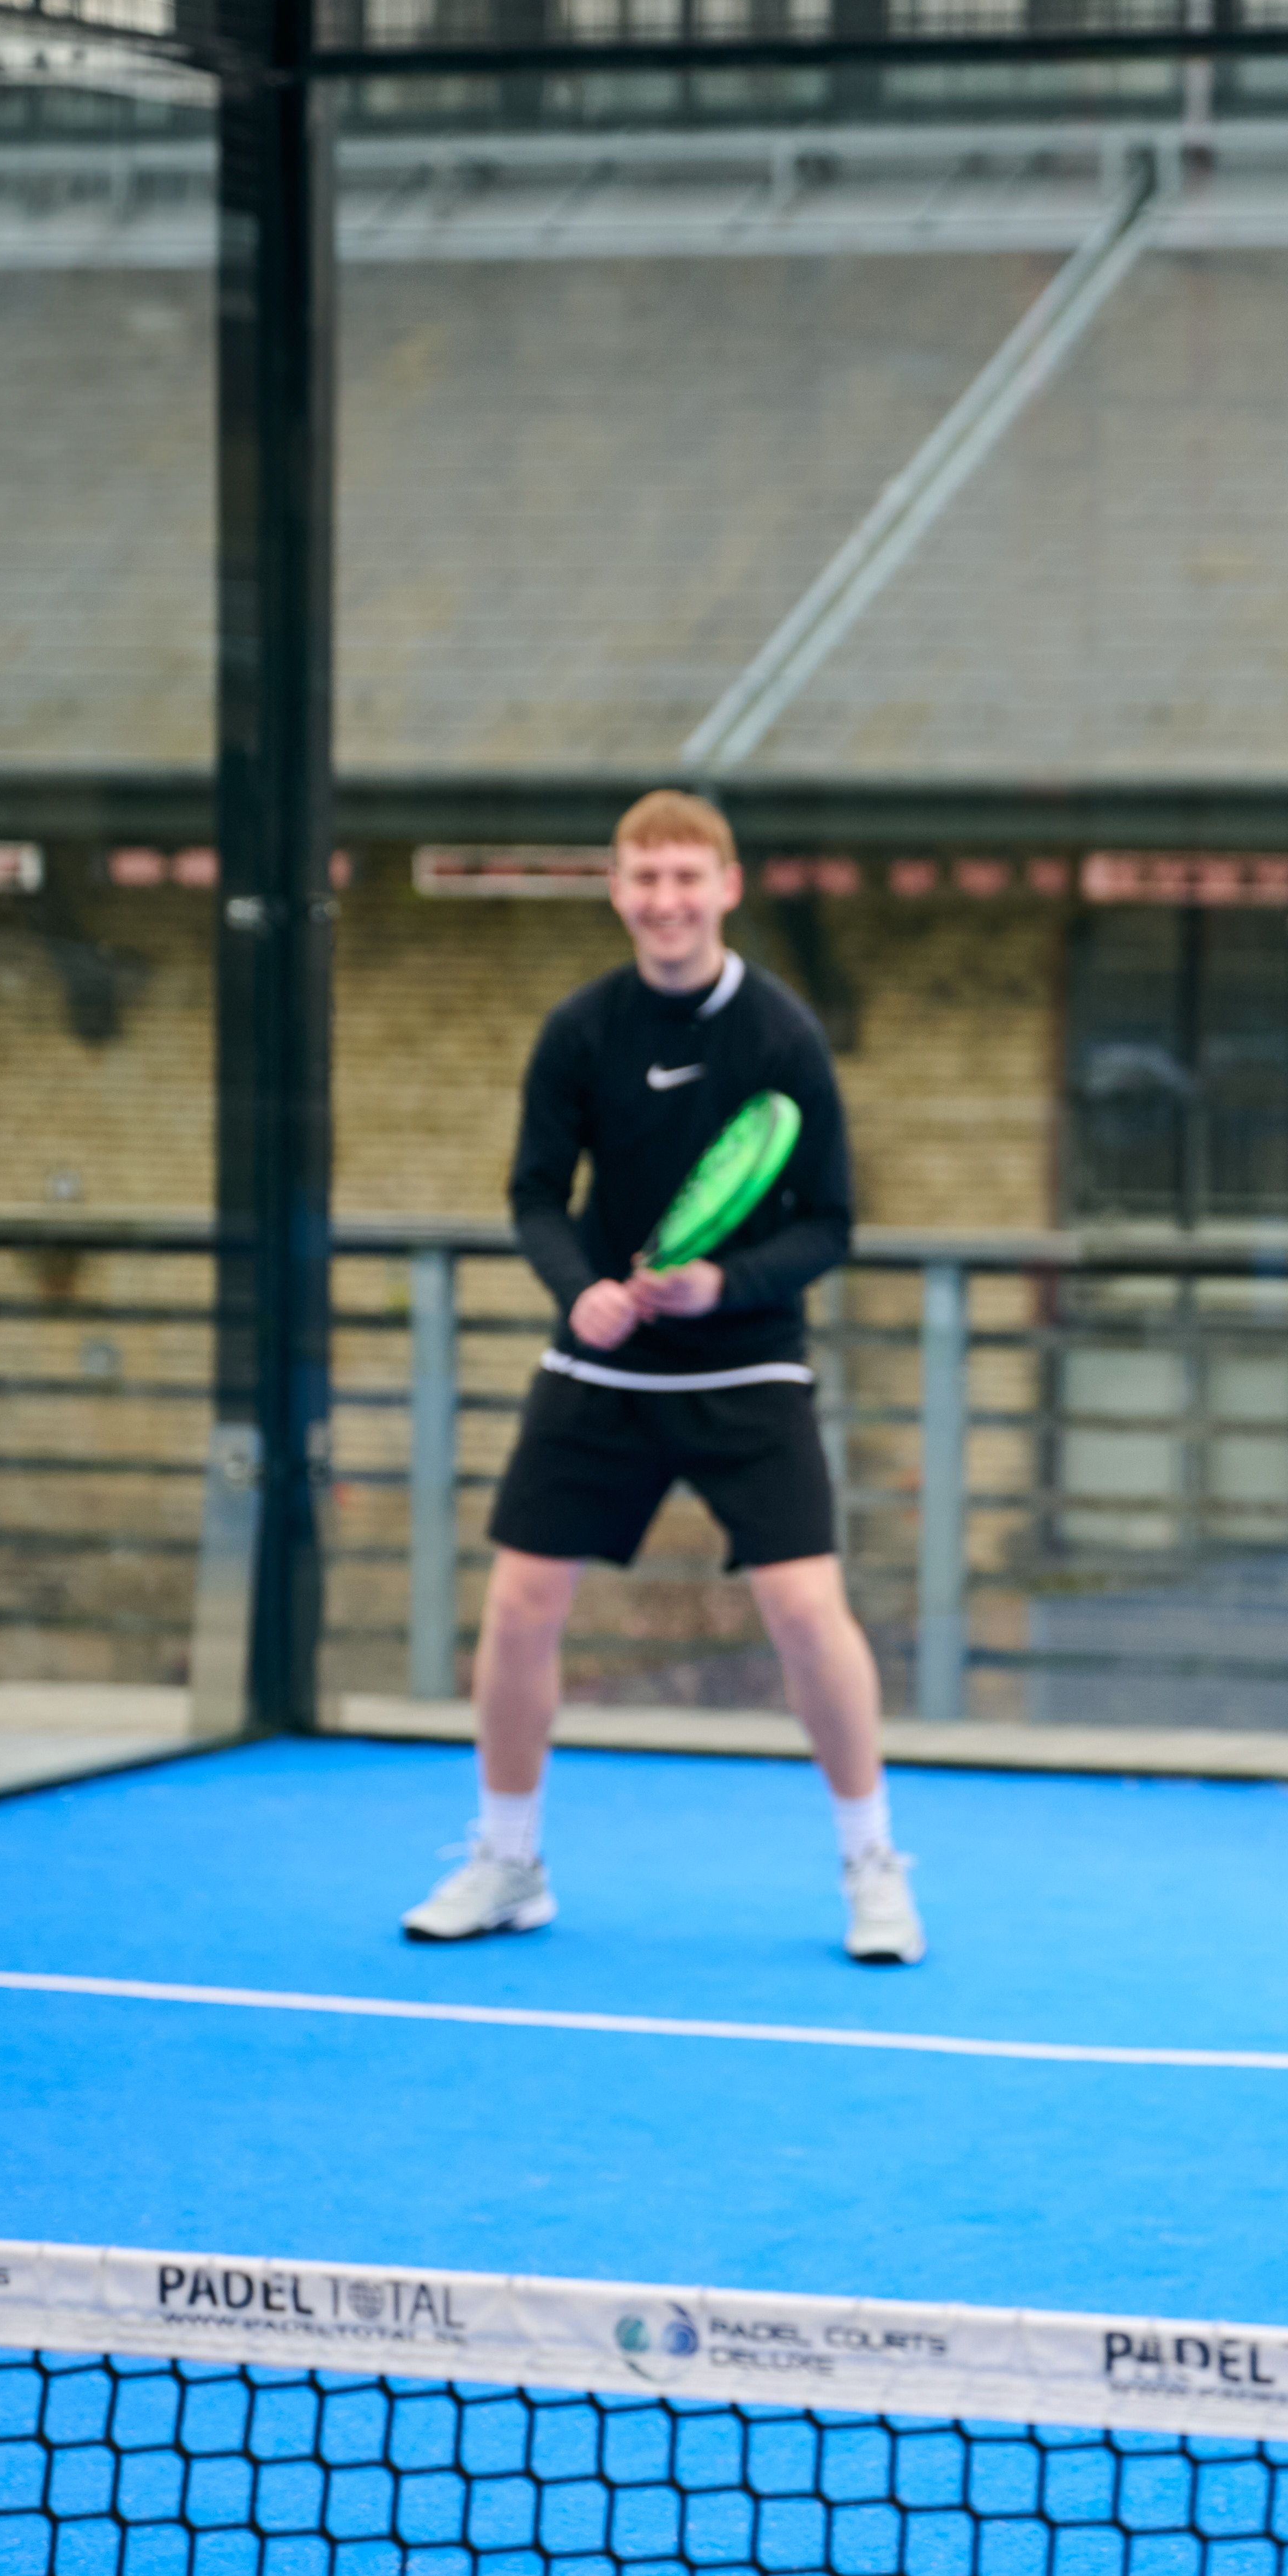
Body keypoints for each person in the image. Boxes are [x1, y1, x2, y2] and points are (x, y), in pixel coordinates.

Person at [403, 787, 924, 1968]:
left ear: (726, 888)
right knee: (519, 1606)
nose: (667, 900)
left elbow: (831, 1223)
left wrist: (722, 1284)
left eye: (688, 878)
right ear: (617, 891)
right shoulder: (580, 1031)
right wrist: (578, 1287)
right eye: (646, 878)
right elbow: (536, 1196)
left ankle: (872, 1866)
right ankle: (508, 1860)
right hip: (602, 1366)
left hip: (751, 1368)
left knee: (808, 1614)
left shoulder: (783, 1036)